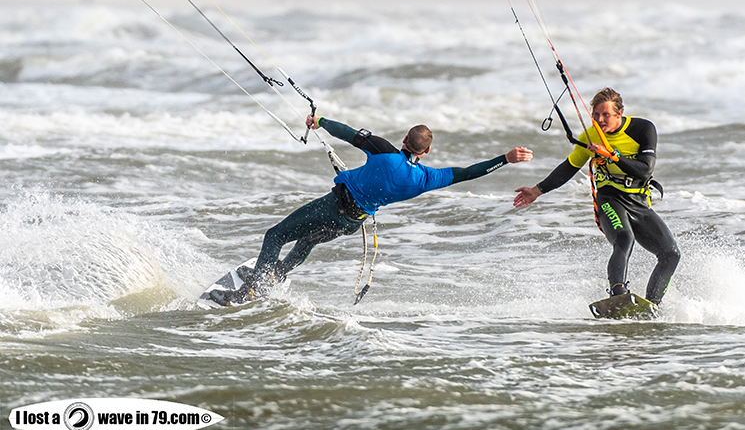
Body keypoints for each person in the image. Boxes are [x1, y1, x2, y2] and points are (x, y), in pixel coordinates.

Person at [209, 114, 532, 305]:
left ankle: (252, 290)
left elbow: (348, 134)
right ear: (427, 150)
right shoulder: (426, 178)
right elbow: (467, 172)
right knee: (305, 243)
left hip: (333, 206)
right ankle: (274, 275)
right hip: (352, 222)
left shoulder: (383, 150)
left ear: (405, 139)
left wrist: (319, 121)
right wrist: (504, 159)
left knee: (275, 236)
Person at [513, 88, 680, 305]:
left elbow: (645, 170)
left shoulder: (643, 129)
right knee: (624, 238)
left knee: (671, 254)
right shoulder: (589, 136)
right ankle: (618, 294)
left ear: (619, 114)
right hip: (609, 199)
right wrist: (537, 191)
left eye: (606, 115)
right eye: (596, 115)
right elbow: (568, 167)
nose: (600, 120)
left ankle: (652, 305)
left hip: (639, 202)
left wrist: (611, 155)